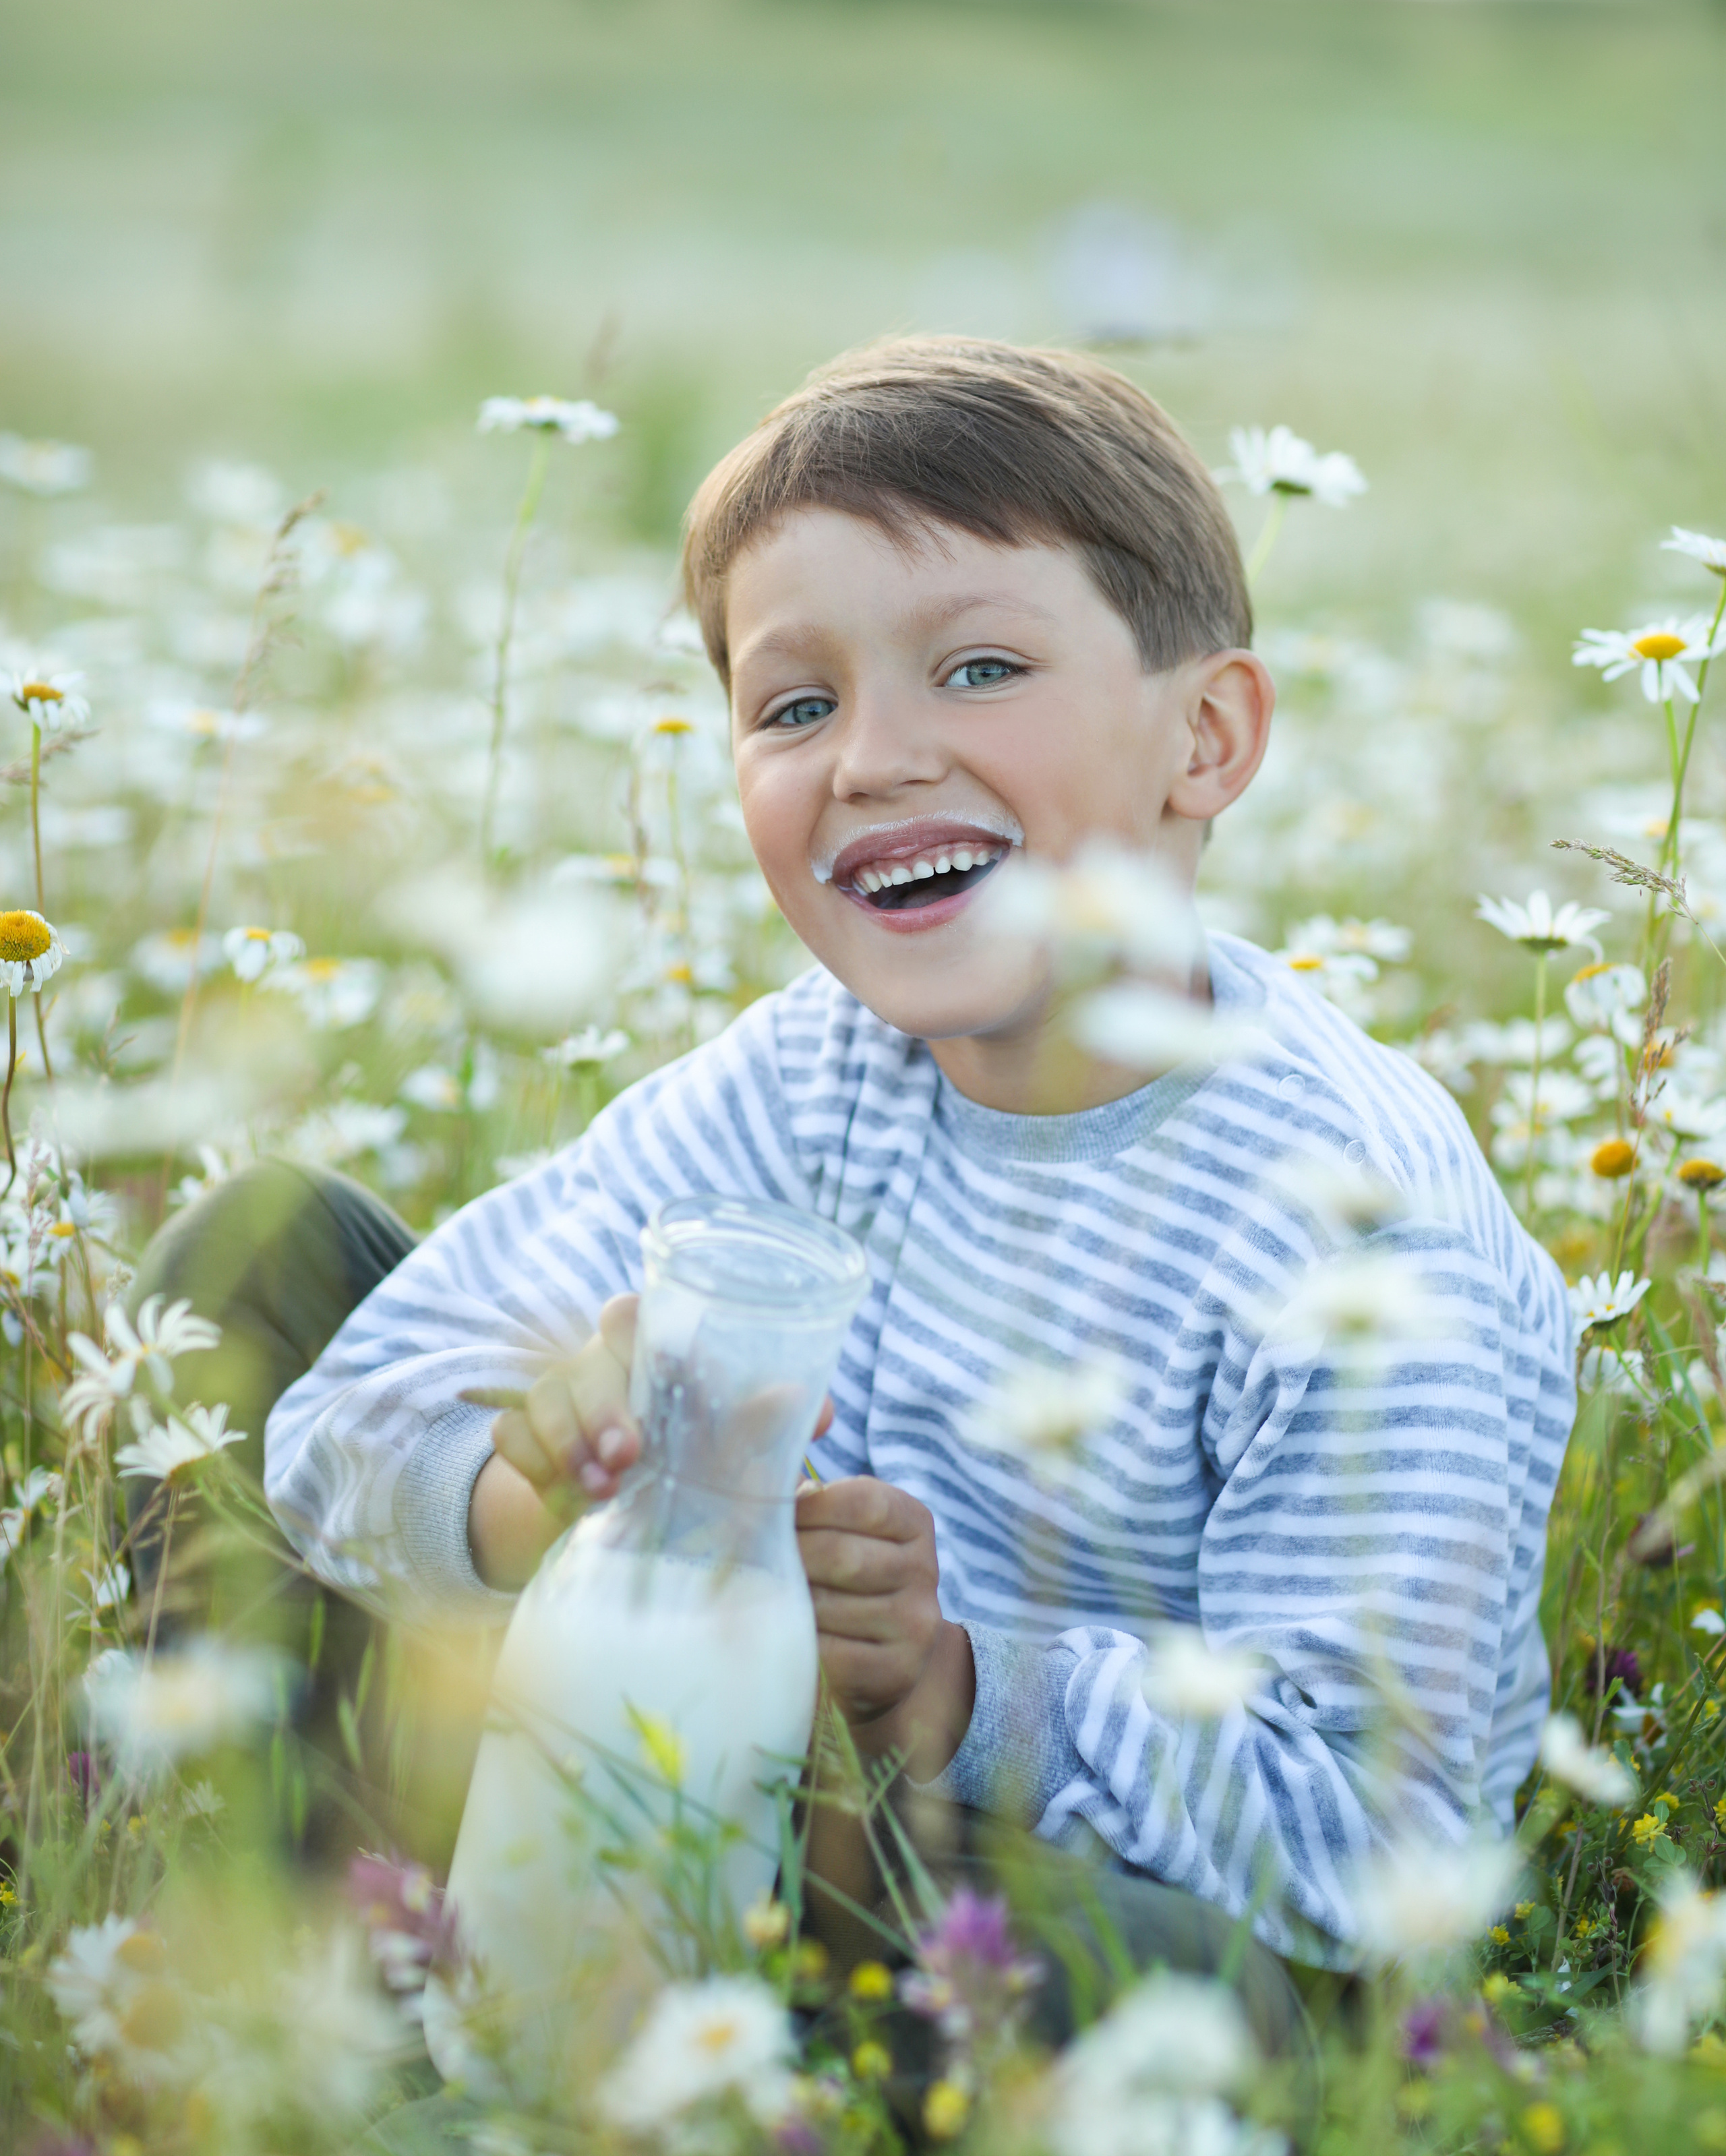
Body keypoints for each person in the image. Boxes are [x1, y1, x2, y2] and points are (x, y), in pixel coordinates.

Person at [232, 338, 1570, 2047]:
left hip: (1018, 1878)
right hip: (696, 1768)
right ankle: (334, 1954)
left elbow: (1378, 1840)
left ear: (1205, 736)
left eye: (979, 668)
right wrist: (531, 1493)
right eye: (794, 706)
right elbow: (339, 1426)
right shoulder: (802, 1078)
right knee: (261, 1259)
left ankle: (647, 2021)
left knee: (1148, 1986)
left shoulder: (1354, 1227)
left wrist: (955, 1689)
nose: (869, 758)